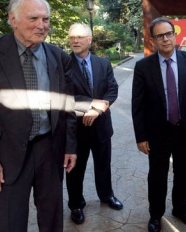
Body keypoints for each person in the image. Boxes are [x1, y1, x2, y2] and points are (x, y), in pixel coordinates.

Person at [0, 0, 77, 231]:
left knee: (52, 220)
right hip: (6, 156)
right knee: (8, 223)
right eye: (33, 18)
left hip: (50, 151)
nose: (41, 25)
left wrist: (69, 146)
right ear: (13, 19)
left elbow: (67, 106)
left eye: (45, 19)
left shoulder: (57, 55)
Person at [131, 17, 186, 232]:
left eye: (168, 34)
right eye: (160, 36)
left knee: (185, 173)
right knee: (157, 176)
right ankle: (156, 215)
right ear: (153, 40)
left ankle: (180, 209)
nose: (165, 39)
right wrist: (141, 137)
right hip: (158, 132)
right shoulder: (143, 66)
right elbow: (138, 104)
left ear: (175, 35)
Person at [65, 23, 122, 225]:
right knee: (75, 170)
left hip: (101, 127)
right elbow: (65, 96)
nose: (75, 41)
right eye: (71, 37)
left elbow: (112, 90)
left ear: (89, 40)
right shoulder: (63, 64)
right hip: (75, 129)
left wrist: (98, 110)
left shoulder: (102, 63)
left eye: (79, 37)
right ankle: (76, 204)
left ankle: (106, 196)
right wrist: (89, 105)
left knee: (103, 165)